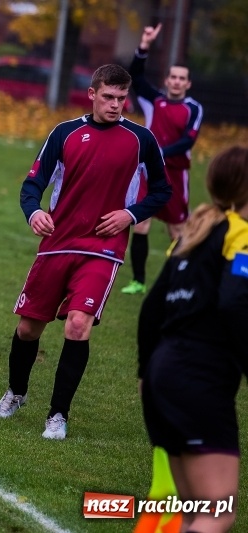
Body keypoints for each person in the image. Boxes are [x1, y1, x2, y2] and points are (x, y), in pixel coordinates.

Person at [0, 64, 171, 440]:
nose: (115, 104)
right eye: (108, 97)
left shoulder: (141, 139)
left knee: (77, 325)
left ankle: (58, 414)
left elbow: (162, 190)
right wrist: (34, 212)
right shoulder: (65, 133)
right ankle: (16, 393)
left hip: (103, 248)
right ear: (92, 94)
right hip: (57, 244)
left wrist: (130, 214)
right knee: (28, 329)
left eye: (122, 98)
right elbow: (32, 184)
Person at [138, 145, 248, 532]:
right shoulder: (240, 235)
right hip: (199, 378)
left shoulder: (192, 233)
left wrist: (144, 373)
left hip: (162, 376)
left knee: (192, 512)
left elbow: (151, 310)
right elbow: (234, 302)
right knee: (218, 513)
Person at [122, 23, 204, 295]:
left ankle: (179, 282)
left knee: (177, 230)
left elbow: (188, 141)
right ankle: (138, 282)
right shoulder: (154, 101)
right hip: (149, 172)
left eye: (182, 78)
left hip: (176, 175)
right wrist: (144, 45)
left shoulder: (193, 109)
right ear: (167, 80)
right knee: (141, 223)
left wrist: (160, 152)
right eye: (173, 77)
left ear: (188, 84)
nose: (177, 81)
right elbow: (135, 75)